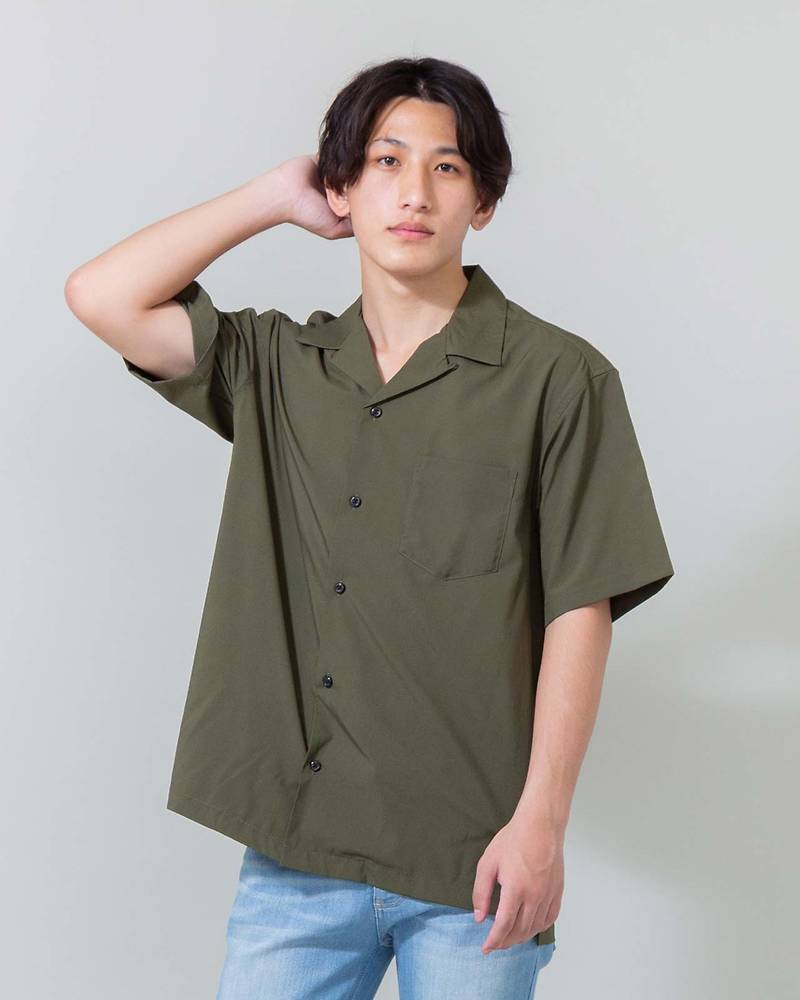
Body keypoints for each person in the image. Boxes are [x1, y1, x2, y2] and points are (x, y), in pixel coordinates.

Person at [64, 56, 674, 1000]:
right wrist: (274, 196)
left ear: (484, 201)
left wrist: (542, 825)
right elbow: (104, 296)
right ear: (342, 186)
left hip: (474, 866)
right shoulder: (278, 366)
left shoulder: (561, 380)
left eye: (447, 167)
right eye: (386, 161)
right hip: (298, 860)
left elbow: (579, 609)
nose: (415, 192)